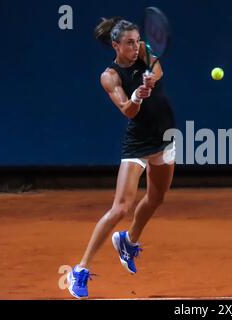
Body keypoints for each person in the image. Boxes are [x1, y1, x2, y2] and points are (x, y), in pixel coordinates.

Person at [67, 17, 176, 299]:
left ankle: (128, 241)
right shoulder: (110, 76)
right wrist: (138, 95)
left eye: (137, 40)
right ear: (115, 45)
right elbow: (128, 111)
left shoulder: (143, 51)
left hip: (165, 135)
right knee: (120, 208)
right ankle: (79, 270)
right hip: (138, 142)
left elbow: (158, 69)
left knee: (157, 197)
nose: (135, 45)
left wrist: (151, 77)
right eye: (128, 42)